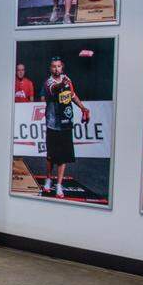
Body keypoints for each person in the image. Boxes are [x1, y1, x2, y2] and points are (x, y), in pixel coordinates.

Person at [39, 57, 90, 199]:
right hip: (53, 124)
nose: (56, 69)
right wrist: (62, 84)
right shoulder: (48, 82)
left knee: (63, 157)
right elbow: (54, 89)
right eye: (54, 66)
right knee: (51, 156)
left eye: (59, 66)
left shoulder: (67, 79)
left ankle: (59, 185)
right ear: (51, 68)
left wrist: (82, 108)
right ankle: (48, 179)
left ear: (62, 67)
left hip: (66, 122)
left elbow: (72, 95)